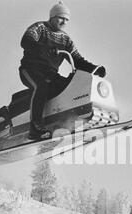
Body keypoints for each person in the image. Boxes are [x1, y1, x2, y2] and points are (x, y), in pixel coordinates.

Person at [19, 1, 106, 140]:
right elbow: (26, 40)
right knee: (41, 86)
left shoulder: (65, 39)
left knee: (67, 88)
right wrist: (45, 49)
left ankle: (66, 122)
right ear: (52, 16)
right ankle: (35, 128)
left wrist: (94, 68)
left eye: (66, 19)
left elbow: (77, 60)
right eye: (60, 17)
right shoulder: (40, 27)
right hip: (30, 69)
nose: (63, 21)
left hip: (51, 74)